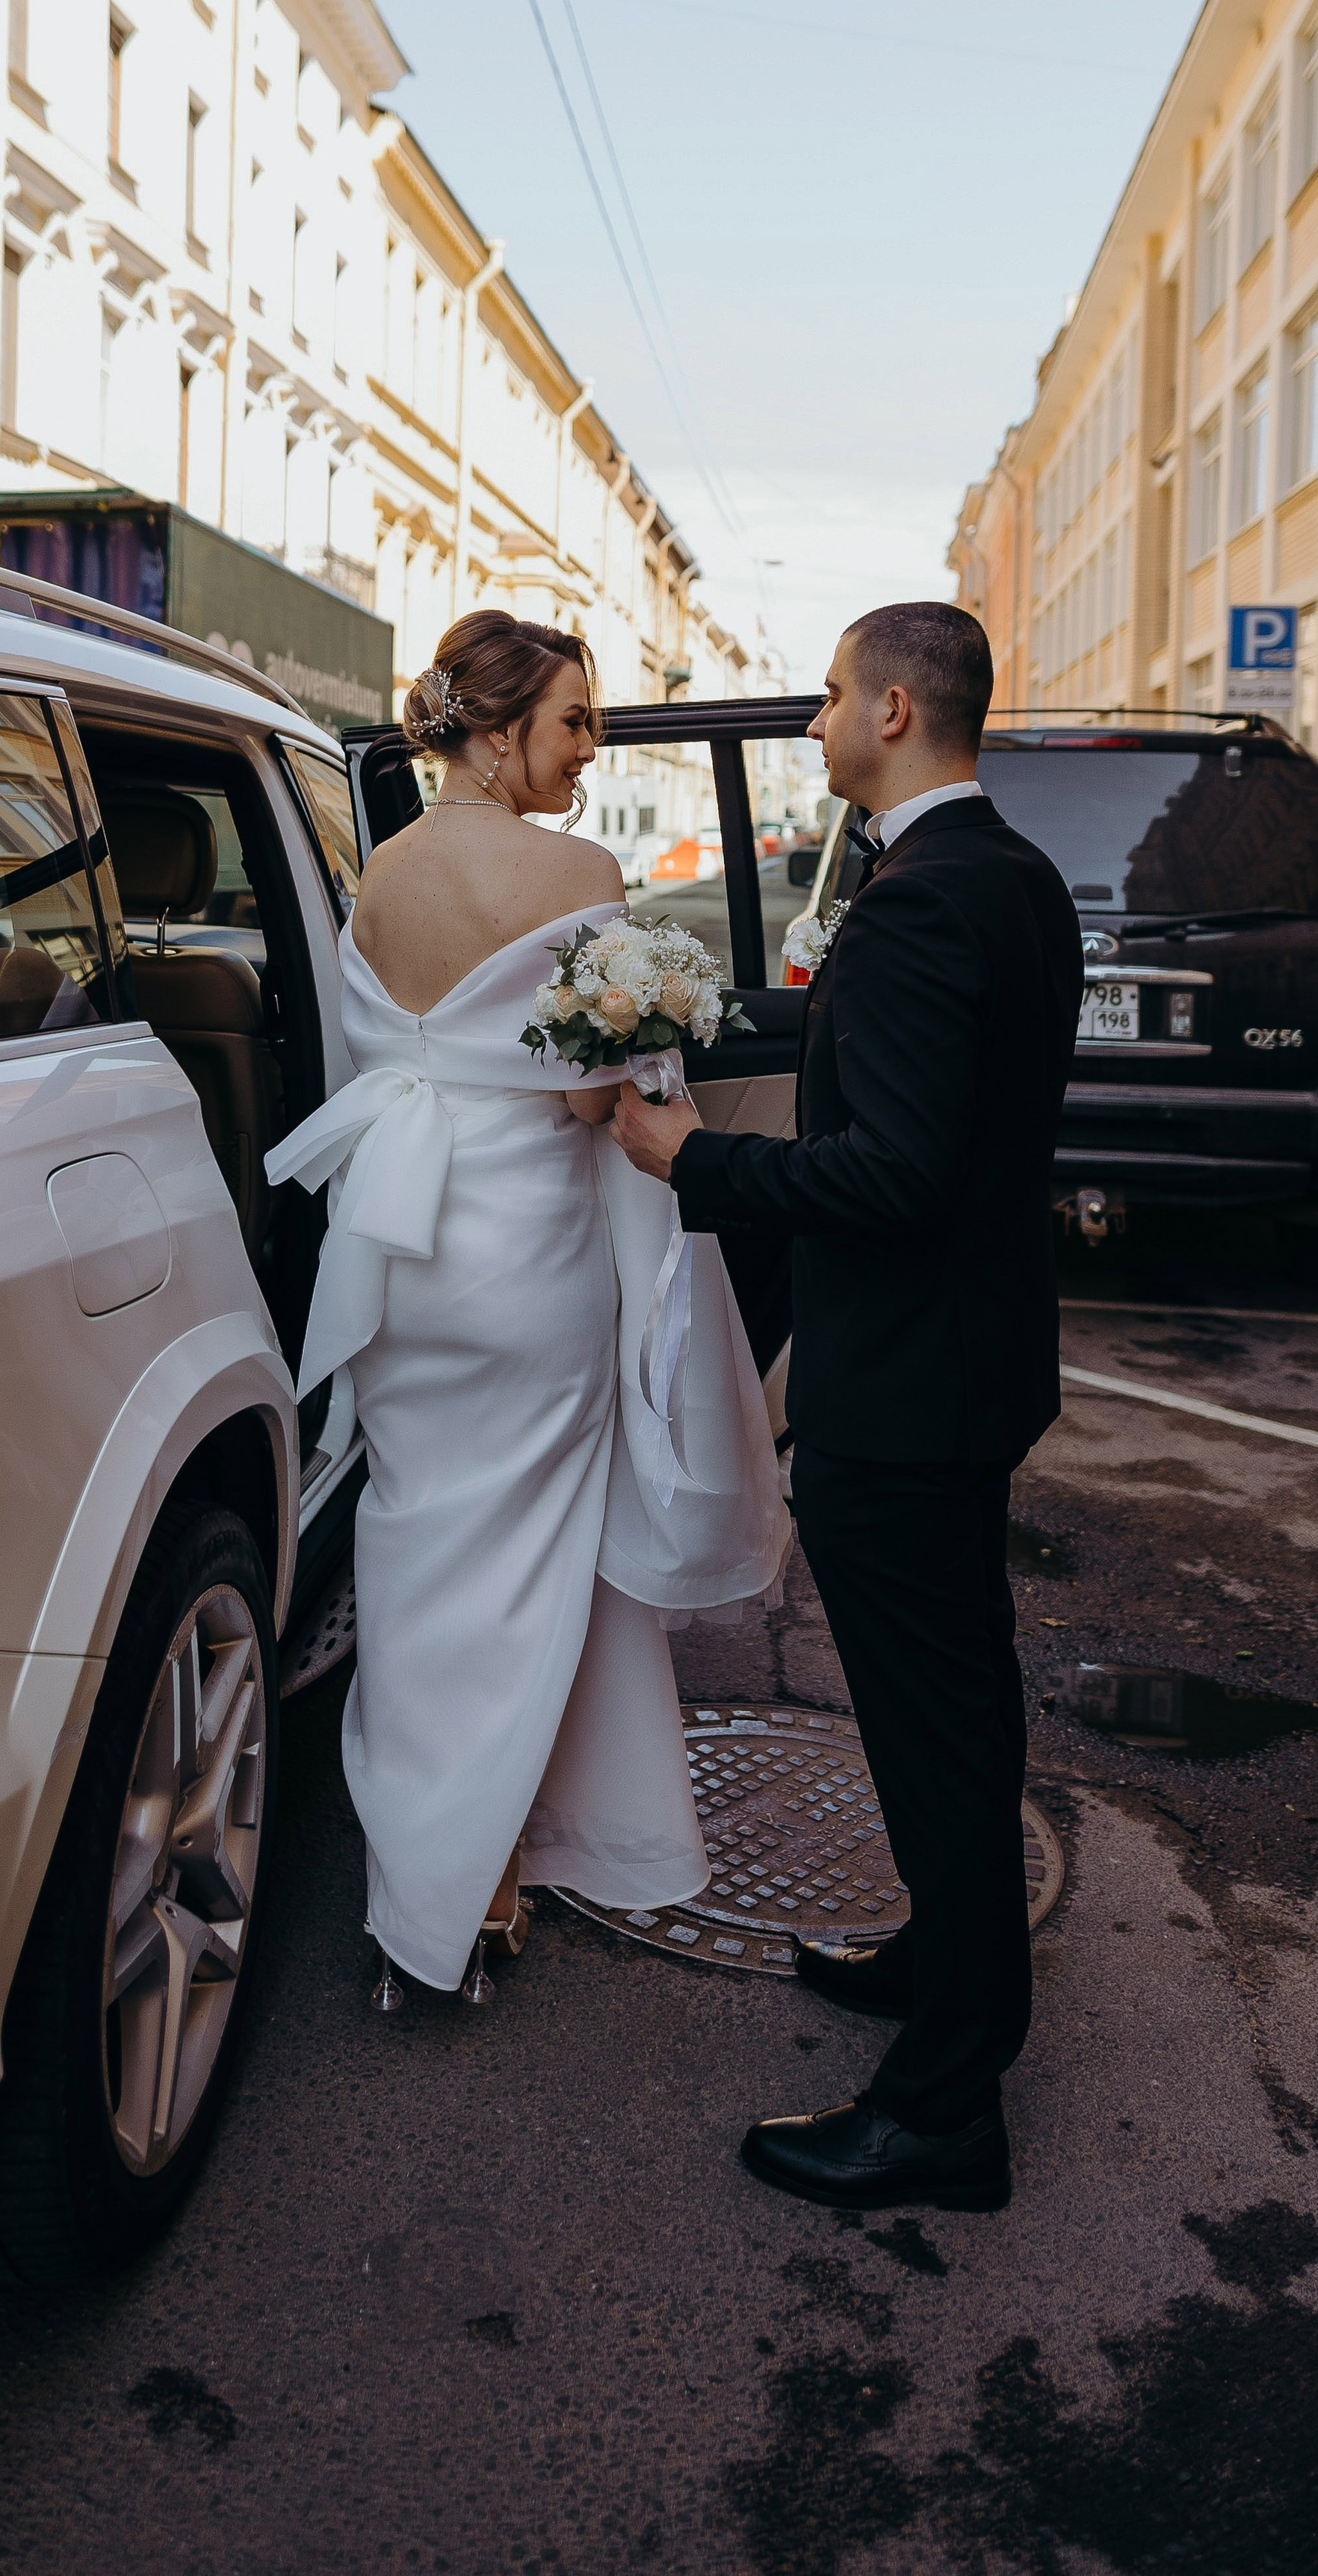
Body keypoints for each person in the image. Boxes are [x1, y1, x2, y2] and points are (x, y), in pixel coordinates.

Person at [613, 602, 1081, 2211]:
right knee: (951, 1702)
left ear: (891, 707)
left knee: (933, 1722)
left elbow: (891, 1174)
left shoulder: (920, 905)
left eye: (823, 701)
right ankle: (941, 1962)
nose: (811, 728)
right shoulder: (1006, 875)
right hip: (974, 1360)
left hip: (906, 1392)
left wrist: (693, 1162)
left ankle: (946, 2111)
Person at [265, 611, 785, 2002]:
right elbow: (580, 1098)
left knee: (418, 1549)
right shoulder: (579, 869)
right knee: (537, 1562)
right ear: (497, 734)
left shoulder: (377, 874)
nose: (588, 748)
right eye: (574, 723)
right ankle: (483, 1881)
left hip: (400, 1251)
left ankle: (426, 1881)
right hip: (528, 1257)